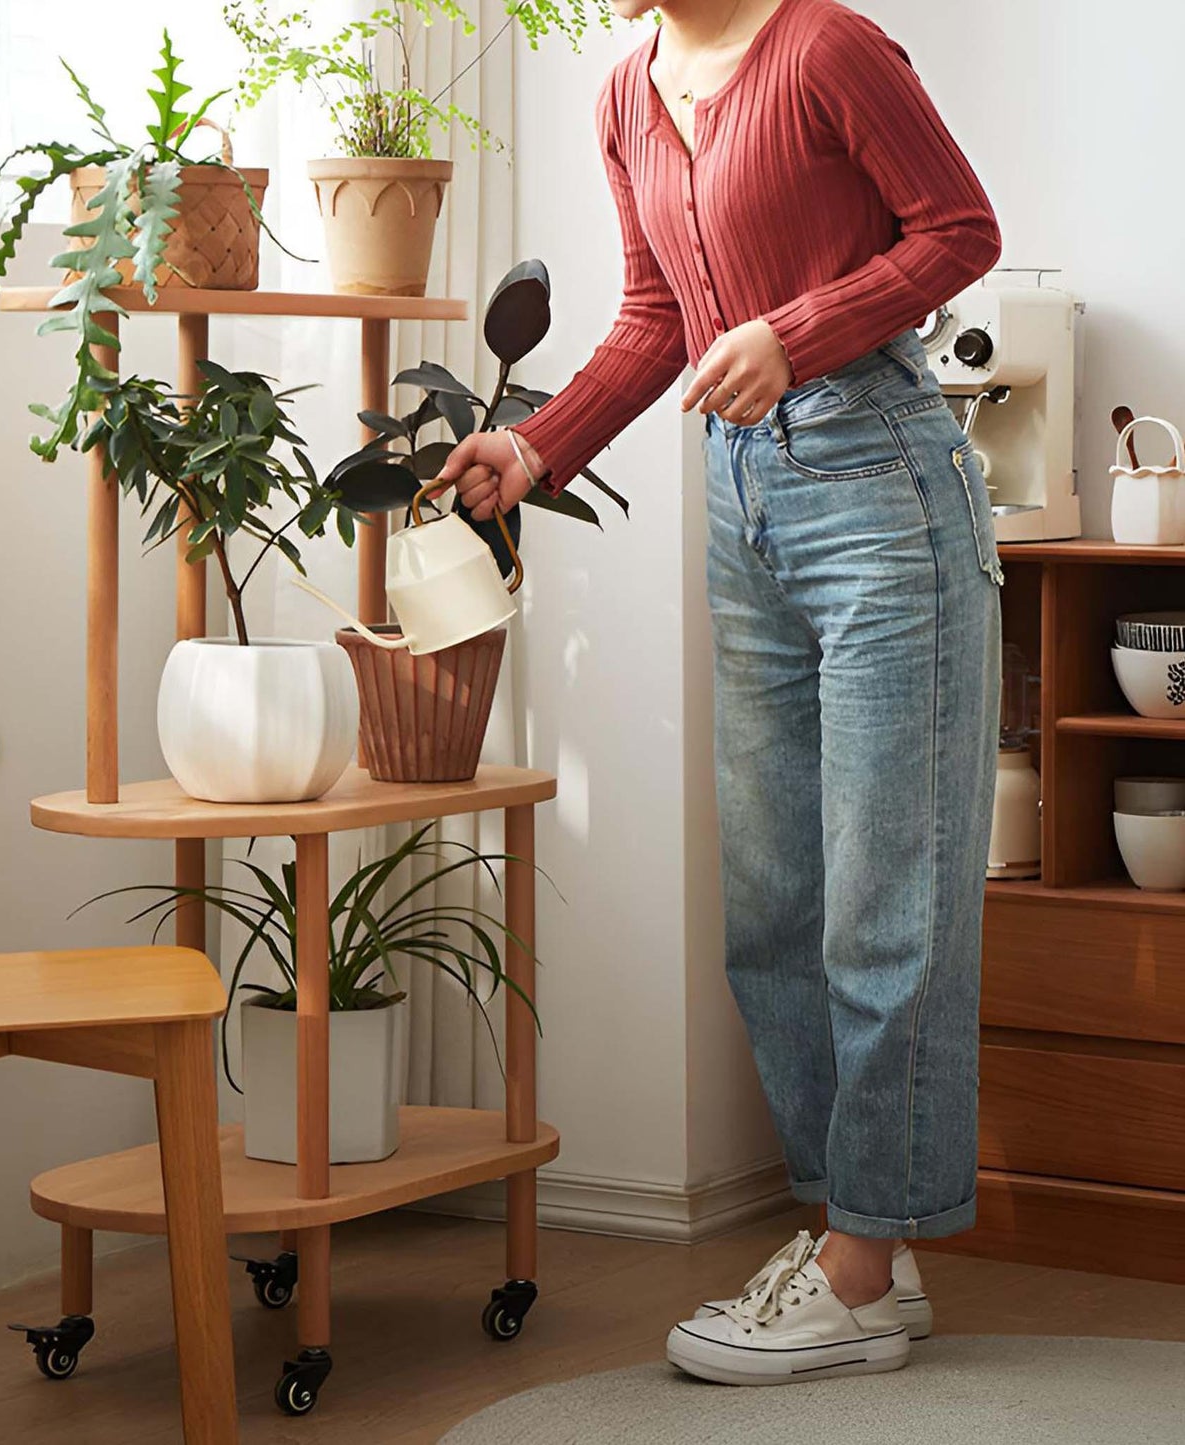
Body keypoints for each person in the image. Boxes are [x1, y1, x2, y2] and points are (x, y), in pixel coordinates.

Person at [437, 0, 1003, 1386]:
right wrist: (536, 443)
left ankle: (860, 1260)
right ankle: (855, 1243)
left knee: (887, 895)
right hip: (741, 501)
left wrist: (798, 330)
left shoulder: (824, 47)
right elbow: (653, 316)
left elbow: (958, 232)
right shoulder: (627, 87)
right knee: (771, 904)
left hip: (881, 484)